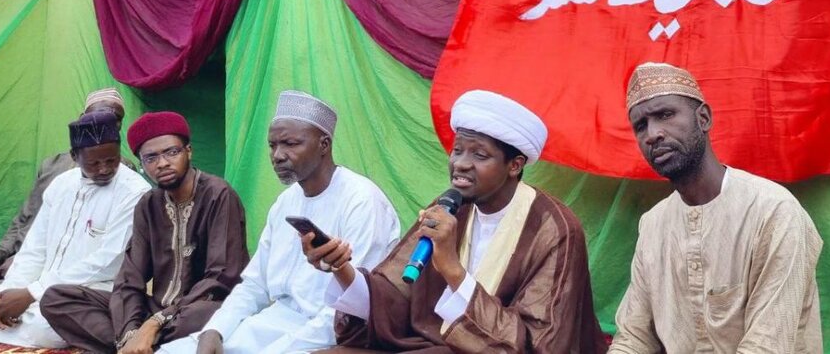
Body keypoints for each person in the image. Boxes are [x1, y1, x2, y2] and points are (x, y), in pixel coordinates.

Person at [309, 89, 607, 354]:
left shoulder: (554, 229)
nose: (461, 163)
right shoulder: (451, 206)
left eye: (479, 154)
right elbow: (393, 297)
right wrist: (341, 268)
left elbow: (535, 343)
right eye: (458, 150)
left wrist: (452, 268)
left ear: (514, 166)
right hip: (434, 344)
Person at [159, 90, 400, 353]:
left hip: (333, 335)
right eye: (273, 145)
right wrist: (214, 330)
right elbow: (254, 285)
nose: (277, 155)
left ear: (324, 144)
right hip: (275, 324)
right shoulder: (285, 203)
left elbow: (350, 308)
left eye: (290, 144)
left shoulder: (362, 200)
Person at [608, 62, 824, 353]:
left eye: (665, 115)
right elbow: (634, 338)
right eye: (640, 125)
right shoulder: (653, 225)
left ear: (703, 118)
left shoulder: (773, 211)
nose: (652, 134)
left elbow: (767, 346)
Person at [41, 111, 250, 353]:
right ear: (141, 164)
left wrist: (153, 324)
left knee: (208, 315)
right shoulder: (148, 204)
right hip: (157, 307)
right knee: (56, 298)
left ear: (189, 151)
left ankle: (143, 344)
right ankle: (135, 345)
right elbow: (130, 278)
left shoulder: (218, 195)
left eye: (172, 152)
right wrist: (130, 329)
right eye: (151, 158)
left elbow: (221, 277)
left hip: (202, 308)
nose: (162, 163)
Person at [0, 110, 150, 349]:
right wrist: (10, 293)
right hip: (37, 289)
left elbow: (108, 261)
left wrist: (30, 294)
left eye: (111, 160)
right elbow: (35, 247)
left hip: (90, 294)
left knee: (46, 326)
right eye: (93, 163)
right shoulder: (61, 184)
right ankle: (0, 319)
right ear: (74, 156)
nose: (104, 169)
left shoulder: (134, 192)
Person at [0, 88, 131, 288]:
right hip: (24, 260)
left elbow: (96, 248)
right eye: (99, 115)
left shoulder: (124, 174)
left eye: (115, 118)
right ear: (82, 118)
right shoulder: (53, 166)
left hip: (70, 277)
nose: (106, 122)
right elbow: (23, 221)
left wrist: (33, 267)